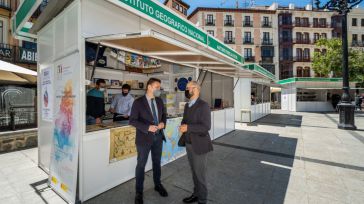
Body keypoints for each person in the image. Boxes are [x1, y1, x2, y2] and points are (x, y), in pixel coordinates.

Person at [129, 78, 168, 204]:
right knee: (141, 165)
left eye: (159, 87)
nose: (159, 89)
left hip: (158, 138)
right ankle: (138, 193)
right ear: (149, 87)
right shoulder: (138, 102)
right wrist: (147, 127)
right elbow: (132, 120)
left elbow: (164, 115)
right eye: (157, 87)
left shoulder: (159, 101)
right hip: (144, 139)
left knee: (157, 163)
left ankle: (158, 185)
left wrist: (163, 123)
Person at [179, 81, 213, 204]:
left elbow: (206, 126)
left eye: (188, 88)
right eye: (187, 88)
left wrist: (188, 127)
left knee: (200, 175)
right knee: (194, 172)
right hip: (188, 143)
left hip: (199, 145)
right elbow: (185, 120)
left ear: (196, 89)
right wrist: (183, 125)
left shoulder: (203, 105)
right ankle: (196, 194)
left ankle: (202, 200)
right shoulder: (188, 105)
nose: (186, 90)